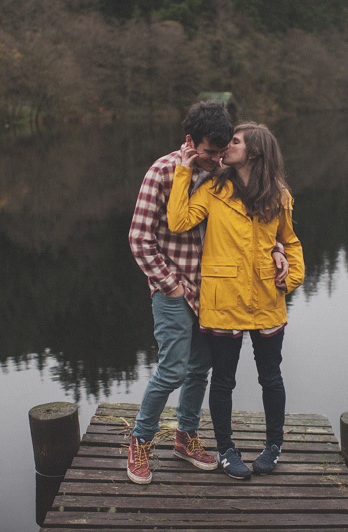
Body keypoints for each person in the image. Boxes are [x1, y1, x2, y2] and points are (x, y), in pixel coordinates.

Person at [128, 103, 288, 484]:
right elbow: (139, 238)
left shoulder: (219, 174)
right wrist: (169, 284)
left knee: (201, 369)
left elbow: (253, 227)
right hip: (173, 288)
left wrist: (277, 249)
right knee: (173, 370)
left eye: (222, 152)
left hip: (210, 294)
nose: (217, 159)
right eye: (211, 152)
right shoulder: (163, 172)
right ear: (190, 142)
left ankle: (185, 437)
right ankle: (140, 441)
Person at [167, 122, 304, 480]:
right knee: (223, 380)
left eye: (235, 142)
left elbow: (289, 241)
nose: (226, 145)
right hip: (223, 299)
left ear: (254, 152)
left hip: (267, 298)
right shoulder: (213, 188)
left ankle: (273, 446)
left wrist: (290, 277)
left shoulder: (278, 195)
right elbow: (179, 221)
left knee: (270, 377)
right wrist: (183, 172)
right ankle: (227, 450)